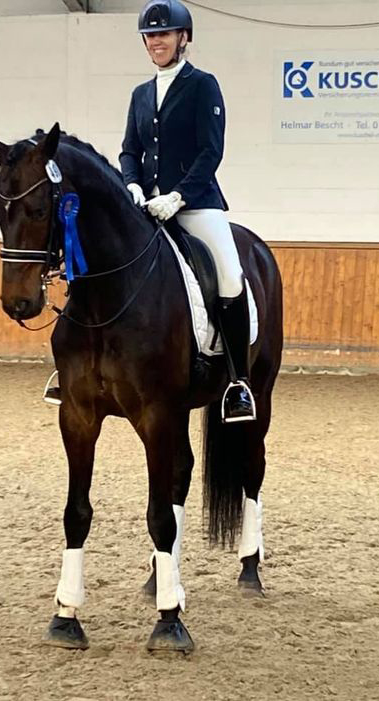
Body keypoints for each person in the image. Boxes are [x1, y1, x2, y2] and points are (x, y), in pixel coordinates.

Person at [119, 0, 255, 422]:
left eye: (163, 34)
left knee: (231, 276)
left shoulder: (203, 85)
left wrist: (176, 197)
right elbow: (129, 150)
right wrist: (134, 185)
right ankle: (78, 365)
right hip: (146, 206)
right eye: (150, 35)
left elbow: (211, 151)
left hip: (195, 204)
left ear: (184, 38)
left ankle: (237, 383)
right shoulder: (140, 94)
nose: (155, 41)